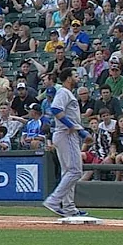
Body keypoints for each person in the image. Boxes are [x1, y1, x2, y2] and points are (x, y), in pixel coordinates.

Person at [43, 67, 91, 217]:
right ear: (69, 78)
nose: (78, 78)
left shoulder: (67, 93)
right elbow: (56, 110)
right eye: (75, 76)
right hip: (66, 134)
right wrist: (78, 130)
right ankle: (54, 200)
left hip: (66, 134)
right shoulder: (64, 92)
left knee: (68, 172)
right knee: (75, 171)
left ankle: (69, 208)